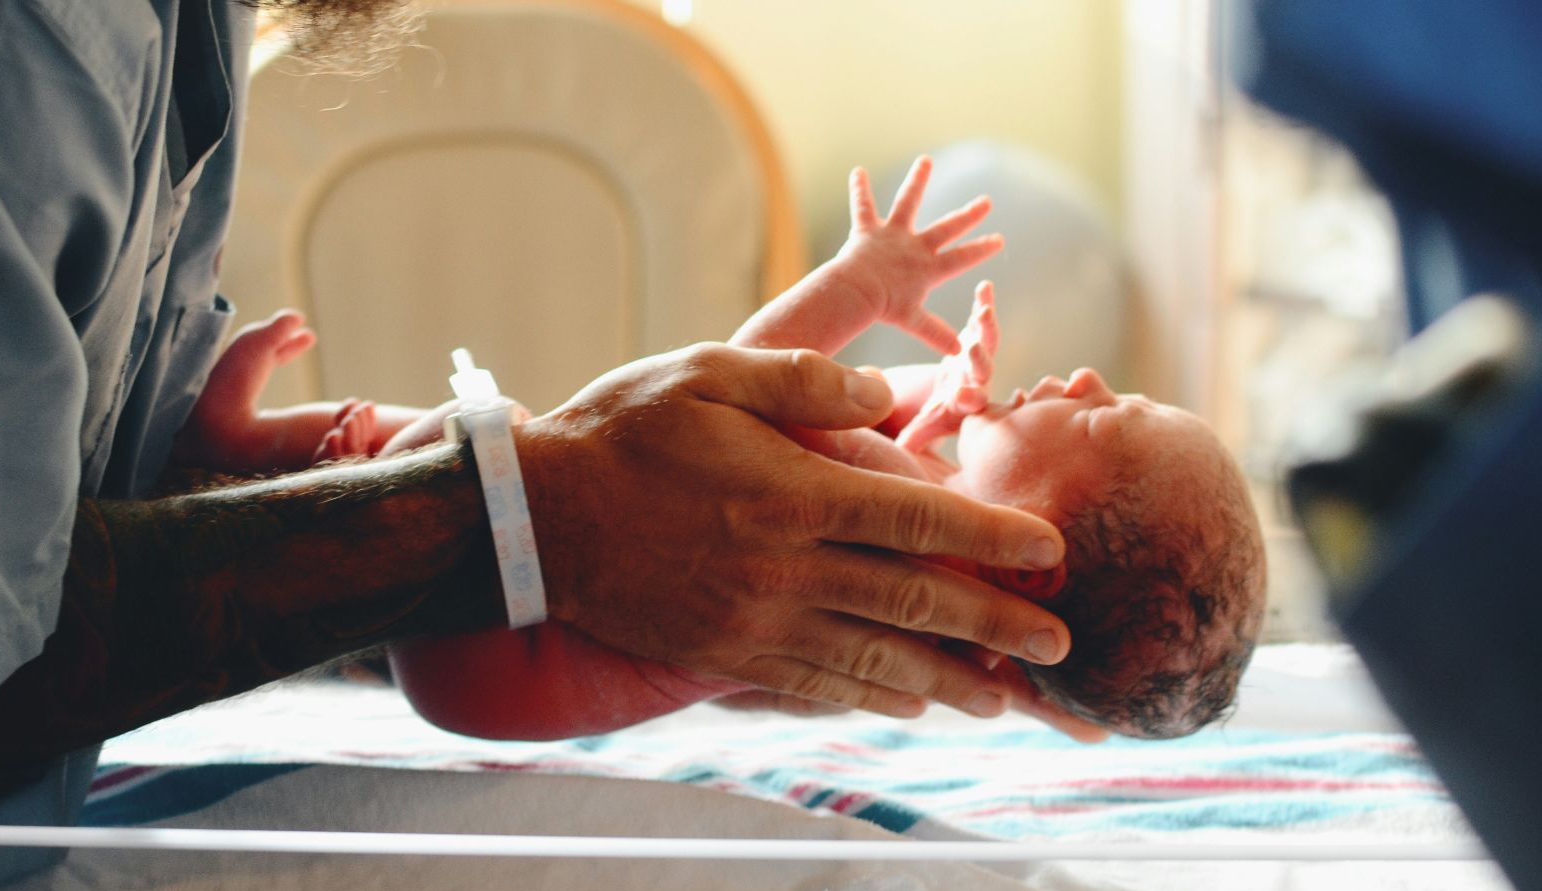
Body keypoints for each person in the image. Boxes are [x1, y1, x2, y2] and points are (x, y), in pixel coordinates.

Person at [0, 3, 1078, 891]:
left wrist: (187, 477)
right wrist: (518, 514)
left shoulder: (152, 34)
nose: (1068, 387)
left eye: (1107, 422)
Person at [194, 166, 1266, 741]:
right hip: (498, 669)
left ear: (1030, 563)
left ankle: (241, 453)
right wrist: (948, 413)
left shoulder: (891, 521)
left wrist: (865, 286)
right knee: (444, 444)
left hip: (502, 641)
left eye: (1098, 419)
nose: (1080, 379)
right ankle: (253, 454)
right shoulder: (931, 586)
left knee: (453, 441)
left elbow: (729, 406)